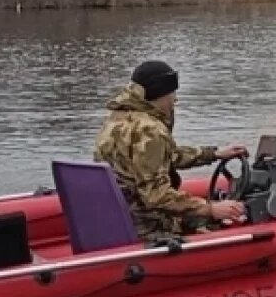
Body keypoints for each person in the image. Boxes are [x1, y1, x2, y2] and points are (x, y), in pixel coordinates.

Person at [93, 60, 248, 241]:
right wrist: (210, 209)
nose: (175, 99)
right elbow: (156, 195)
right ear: (158, 95)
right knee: (214, 222)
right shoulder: (150, 130)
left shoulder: (117, 119)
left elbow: (164, 156)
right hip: (147, 224)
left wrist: (213, 154)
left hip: (118, 216)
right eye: (171, 93)